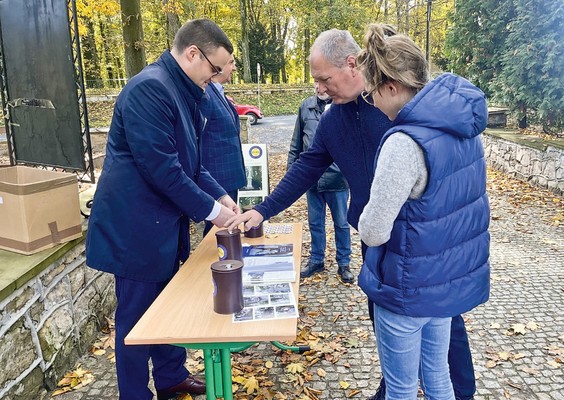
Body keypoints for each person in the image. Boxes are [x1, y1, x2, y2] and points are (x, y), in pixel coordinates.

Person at [225, 29, 478, 400]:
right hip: (374, 241)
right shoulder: (333, 119)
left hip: (423, 243)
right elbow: (307, 166)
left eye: (325, 79)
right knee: (385, 320)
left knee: (445, 329)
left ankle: (461, 391)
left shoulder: (396, 107)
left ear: (351, 64)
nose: (321, 90)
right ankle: (393, 382)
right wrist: (263, 211)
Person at [85, 19, 239, 400]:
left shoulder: (184, 90)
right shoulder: (150, 89)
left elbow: (193, 163)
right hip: (135, 232)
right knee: (136, 321)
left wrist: (220, 196)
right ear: (192, 54)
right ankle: (135, 394)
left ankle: (171, 378)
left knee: (170, 309)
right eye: (215, 69)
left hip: (164, 227)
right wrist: (213, 213)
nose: (217, 77)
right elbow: (163, 169)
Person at [356, 24, 490, 399]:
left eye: (371, 94)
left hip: (406, 288)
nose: (373, 103)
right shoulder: (464, 130)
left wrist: (366, 217)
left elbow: (375, 230)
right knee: (438, 379)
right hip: (444, 287)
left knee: (400, 387)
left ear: (392, 88)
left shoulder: (404, 142)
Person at [288, 82, 353, 283]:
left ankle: (344, 263)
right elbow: (296, 143)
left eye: (322, 83)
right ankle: (317, 260)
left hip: (338, 179)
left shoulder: (343, 107)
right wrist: (292, 173)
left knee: (341, 223)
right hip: (312, 179)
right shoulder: (305, 106)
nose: (318, 87)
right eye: (315, 82)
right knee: (315, 223)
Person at [201, 53, 246, 236]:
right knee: (216, 233)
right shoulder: (206, 94)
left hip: (229, 178)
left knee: (228, 230)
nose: (234, 68)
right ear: (217, 66)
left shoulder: (218, 93)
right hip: (217, 179)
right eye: (231, 63)